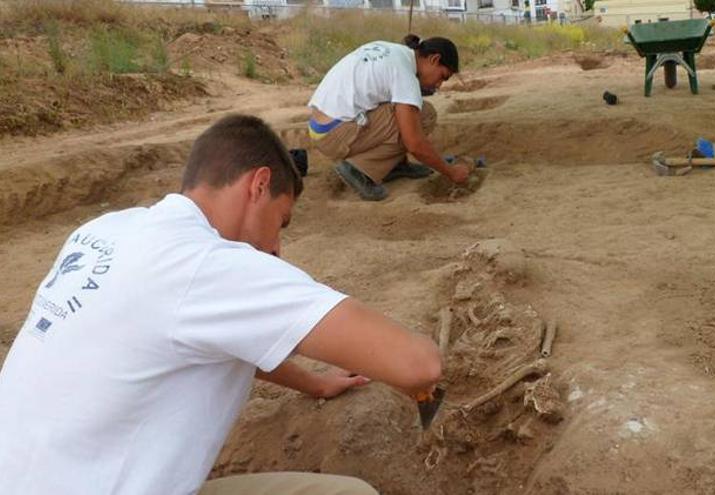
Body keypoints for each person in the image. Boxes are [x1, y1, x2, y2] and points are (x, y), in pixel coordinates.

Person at [0, 114, 442, 495]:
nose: (276, 247)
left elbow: (203, 334)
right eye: (280, 221)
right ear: (260, 184)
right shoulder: (209, 266)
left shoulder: (106, 230)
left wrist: (314, 383)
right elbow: (418, 366)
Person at [308, 34, 472, 201]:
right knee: (424, 116)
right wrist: (451, 172)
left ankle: (393, 166)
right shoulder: (405, 75)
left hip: (321, 125)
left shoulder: (394, 51)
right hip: (334, 134)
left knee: (409, 110)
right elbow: (414, 144)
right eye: (442, 76)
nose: (439, 85)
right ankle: (358, 170)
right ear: (434, 59)